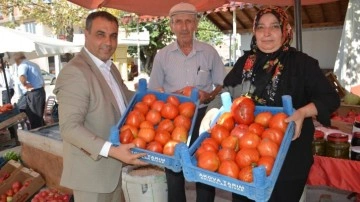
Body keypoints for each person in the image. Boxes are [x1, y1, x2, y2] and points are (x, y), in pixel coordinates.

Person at [201, 6, 340, 202]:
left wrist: (302, 112)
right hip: (245, 156)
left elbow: (330, 98)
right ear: (255, 32)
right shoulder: (244, 62)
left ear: (285, 30)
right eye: (260, 27)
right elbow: (226, 91)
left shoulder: (303, 63)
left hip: (290, 159)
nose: (266, 33)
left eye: (274, 26)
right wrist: (212, 111)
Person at [53, 11, 147, 202]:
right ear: (86, 35)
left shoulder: (108, 66)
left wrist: (155, 98)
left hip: (113, 170)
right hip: (91, 176)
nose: (108, 42)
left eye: (113, 36)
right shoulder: (75, 72)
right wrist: (112, 150)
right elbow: (69, 128)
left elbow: (122, 98)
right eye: (100, 34)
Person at [148, 2, 225, 202]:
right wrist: (175, 96)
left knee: (205, 169)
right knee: (174, 171)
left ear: (195, 25)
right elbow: (154, 92)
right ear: (172, 26)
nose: (184, 27)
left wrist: (206, 96)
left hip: (204, 116)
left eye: (189, 22)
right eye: (179, 22)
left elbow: (221, 85)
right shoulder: (162, 56)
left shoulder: (209, 52)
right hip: (173, 118)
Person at [13, 52, 46, 129]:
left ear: (17, 59)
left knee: (35, 117)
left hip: (33, 93)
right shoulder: (34, 64)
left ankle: (38, 136)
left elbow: (22, 76)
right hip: (40, 92)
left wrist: (25, 84)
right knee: (38, 116)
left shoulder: (23, 65)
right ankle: (42, 133)